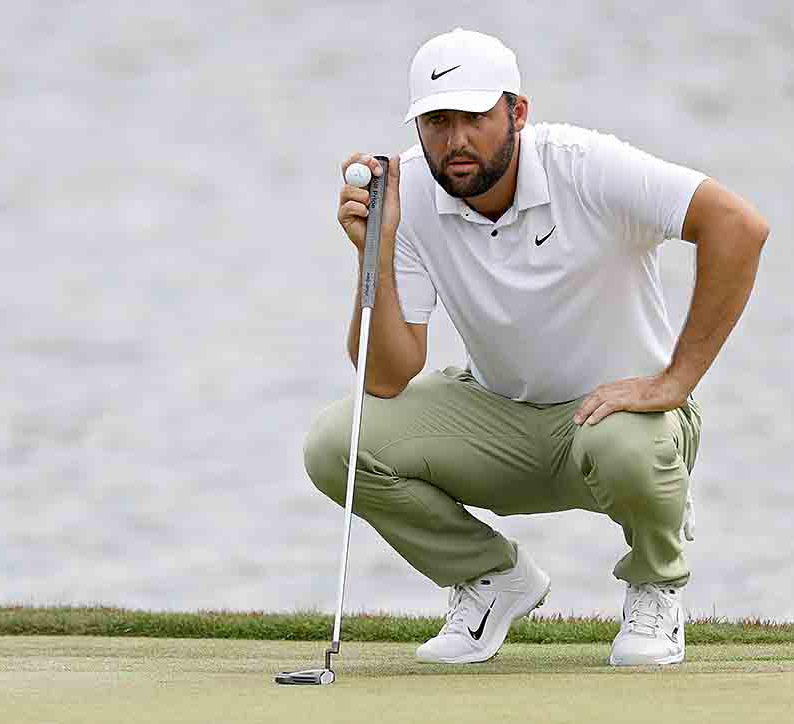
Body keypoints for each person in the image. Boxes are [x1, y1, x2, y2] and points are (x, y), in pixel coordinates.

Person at [304, 27, 768, 667]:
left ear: (516, 113)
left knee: (629, 448)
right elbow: (387, 377)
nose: (455, 141)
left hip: (619, 422)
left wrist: (675, 382)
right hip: (498, 418)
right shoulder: (405, 197)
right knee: (338, 443)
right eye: (437, 121)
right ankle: (492, 579)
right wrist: (374, 252)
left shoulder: (585, 165)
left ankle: (656, 587)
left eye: (473, 117)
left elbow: (738, 226)